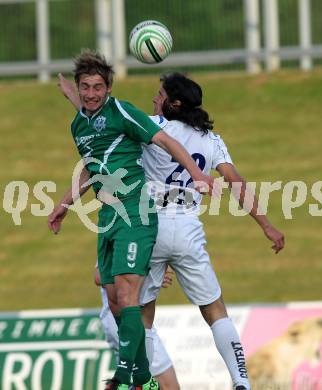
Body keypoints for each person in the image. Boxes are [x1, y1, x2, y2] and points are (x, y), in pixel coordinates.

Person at [55, 71, 285, 390]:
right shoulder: (212, 140)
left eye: (159, 94)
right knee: (215, 310)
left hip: (147, 224)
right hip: (188, 229)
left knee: (139, 314)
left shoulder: (155, 127)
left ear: (173, 104)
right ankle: (241, 380)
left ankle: (142, 381)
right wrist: (267, 225)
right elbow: (237, 183)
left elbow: (106, 123)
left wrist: (75, 97)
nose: (154, 98)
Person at [48, 51, 214, 390]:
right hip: (108, 216)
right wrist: (63, 204)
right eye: (85, 87)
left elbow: (164, 139)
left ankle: (127, 378)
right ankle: (142, 379)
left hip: (135, 210)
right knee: (113, 302)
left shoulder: (123, 110)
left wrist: (196, 172)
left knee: (127, 297)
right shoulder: (78, 124)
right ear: (79, 89)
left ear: (109, 88)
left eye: (98, 87)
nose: (91, 93)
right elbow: (92, 171)